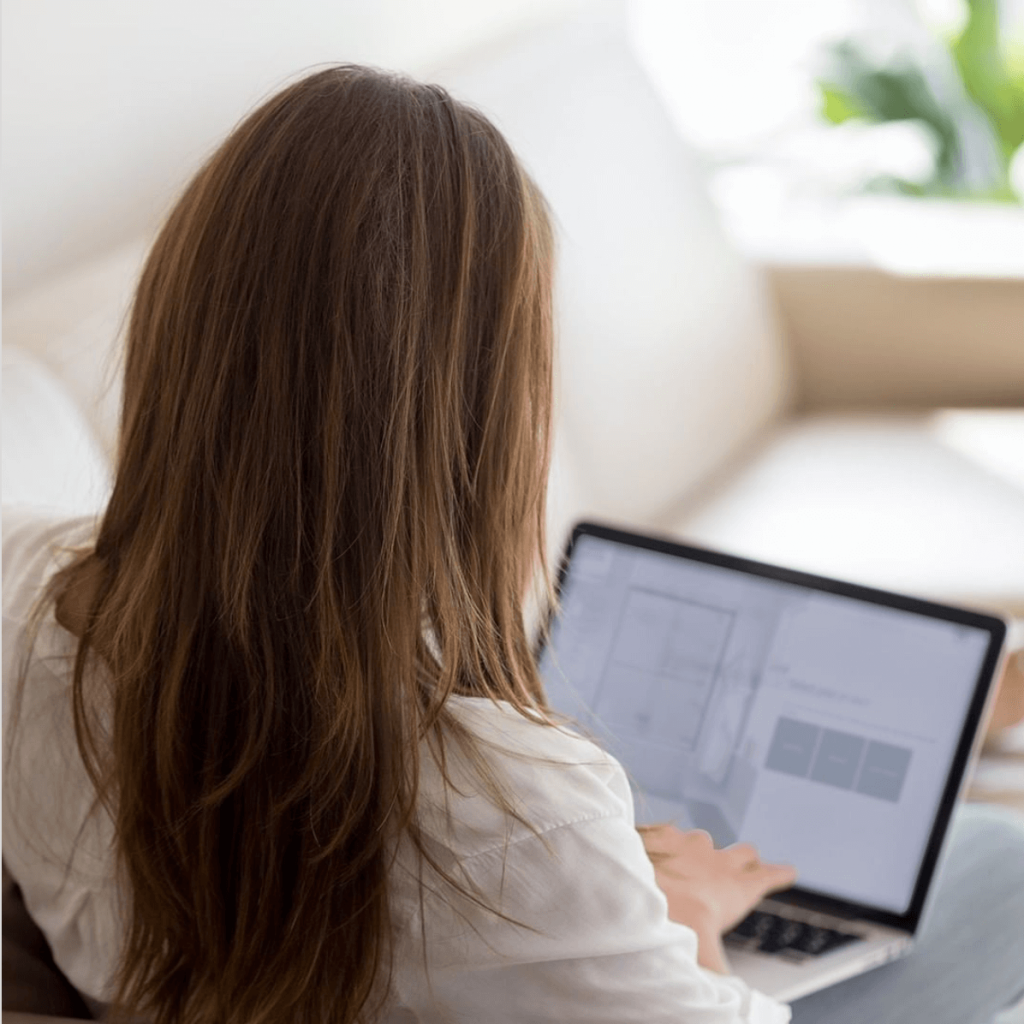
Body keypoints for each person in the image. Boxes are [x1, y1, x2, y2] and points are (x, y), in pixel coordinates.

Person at [3, 65, 1023, 1024]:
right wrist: (690, 921)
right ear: (479, 419)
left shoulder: (21, 599)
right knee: (997, 863)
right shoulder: (509, 812)